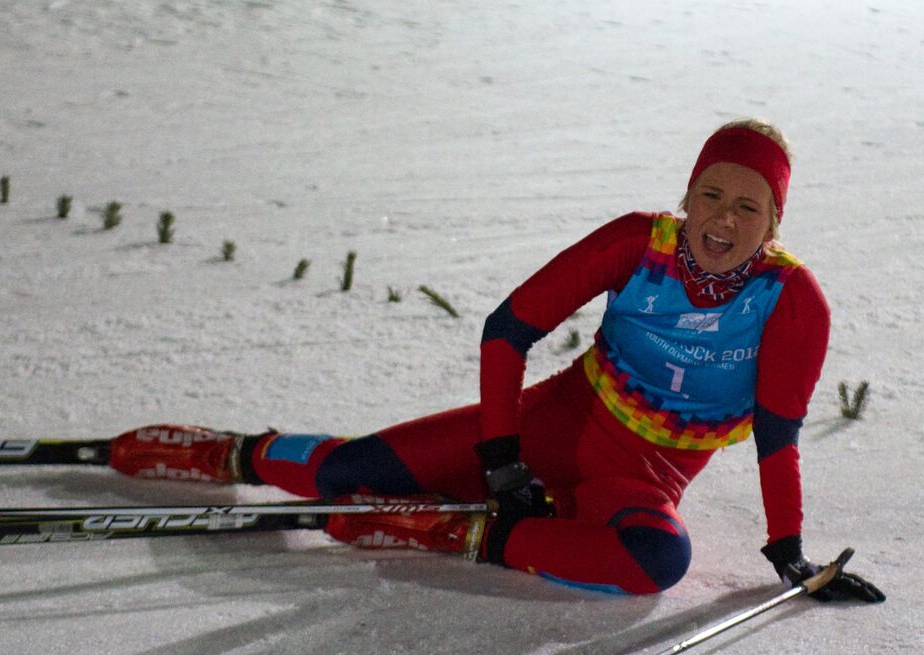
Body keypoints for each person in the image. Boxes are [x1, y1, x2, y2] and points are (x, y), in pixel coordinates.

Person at [106, 120, 884, 601]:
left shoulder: (792, 301)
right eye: (712, 195)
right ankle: (228, 453)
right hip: (551, 425)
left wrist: (788, 550)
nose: (724, 218)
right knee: (347, 478)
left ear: (775, 222)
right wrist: (504, 456)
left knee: (657, 561)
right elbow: (506, 329)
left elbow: (777, 436)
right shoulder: (635, 243)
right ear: (687, 194)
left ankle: (458, 535)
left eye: (749, 206)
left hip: (642, 479)